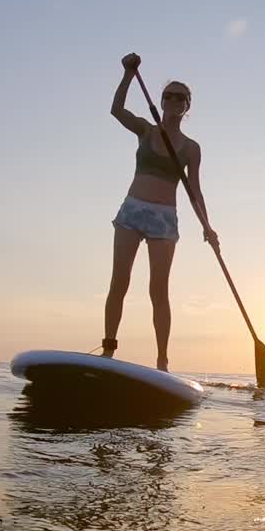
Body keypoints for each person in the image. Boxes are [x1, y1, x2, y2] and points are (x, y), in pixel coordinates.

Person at [102, 52, 219, 371]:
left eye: (180, 97)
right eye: (168, 95)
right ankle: (108, 350)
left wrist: (208, 227)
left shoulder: (191, 148)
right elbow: (116, 110)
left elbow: (194, 190)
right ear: (162, 100)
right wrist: (127, 73)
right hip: (133, 211)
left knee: (159, 291)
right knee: (120, 281)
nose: (173, 100)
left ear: (187, 106)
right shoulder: (146, 130)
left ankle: (162, 363)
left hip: (164, 219)